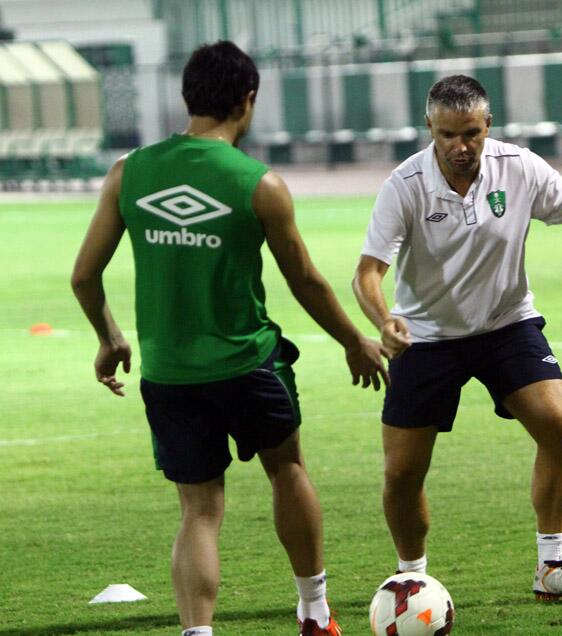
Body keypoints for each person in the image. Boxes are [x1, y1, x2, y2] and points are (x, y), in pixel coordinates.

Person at [72, 40, 388, 636]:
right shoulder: (259, 184)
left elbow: (84, 276)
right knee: (287, 470)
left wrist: (110, 338)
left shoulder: (128, 173)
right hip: (248, 364)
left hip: (169, 373)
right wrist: (354, 340)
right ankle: (315, 612)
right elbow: (305, 280)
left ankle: (198, 632)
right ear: (248, 100)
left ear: (187, 97)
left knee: (199, 510)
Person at [352, 75, 562, 602]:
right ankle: (412, 577)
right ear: (429, 128)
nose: (459, 147)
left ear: (488, 125)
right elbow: (367, 273)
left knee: (559, 425)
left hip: (506, 325)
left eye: (471, 133)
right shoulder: (405, 184)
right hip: (425, 336)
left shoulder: (520, 167)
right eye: (447, 135)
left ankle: (552, 566)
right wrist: (383, 321)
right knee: (402, 473)